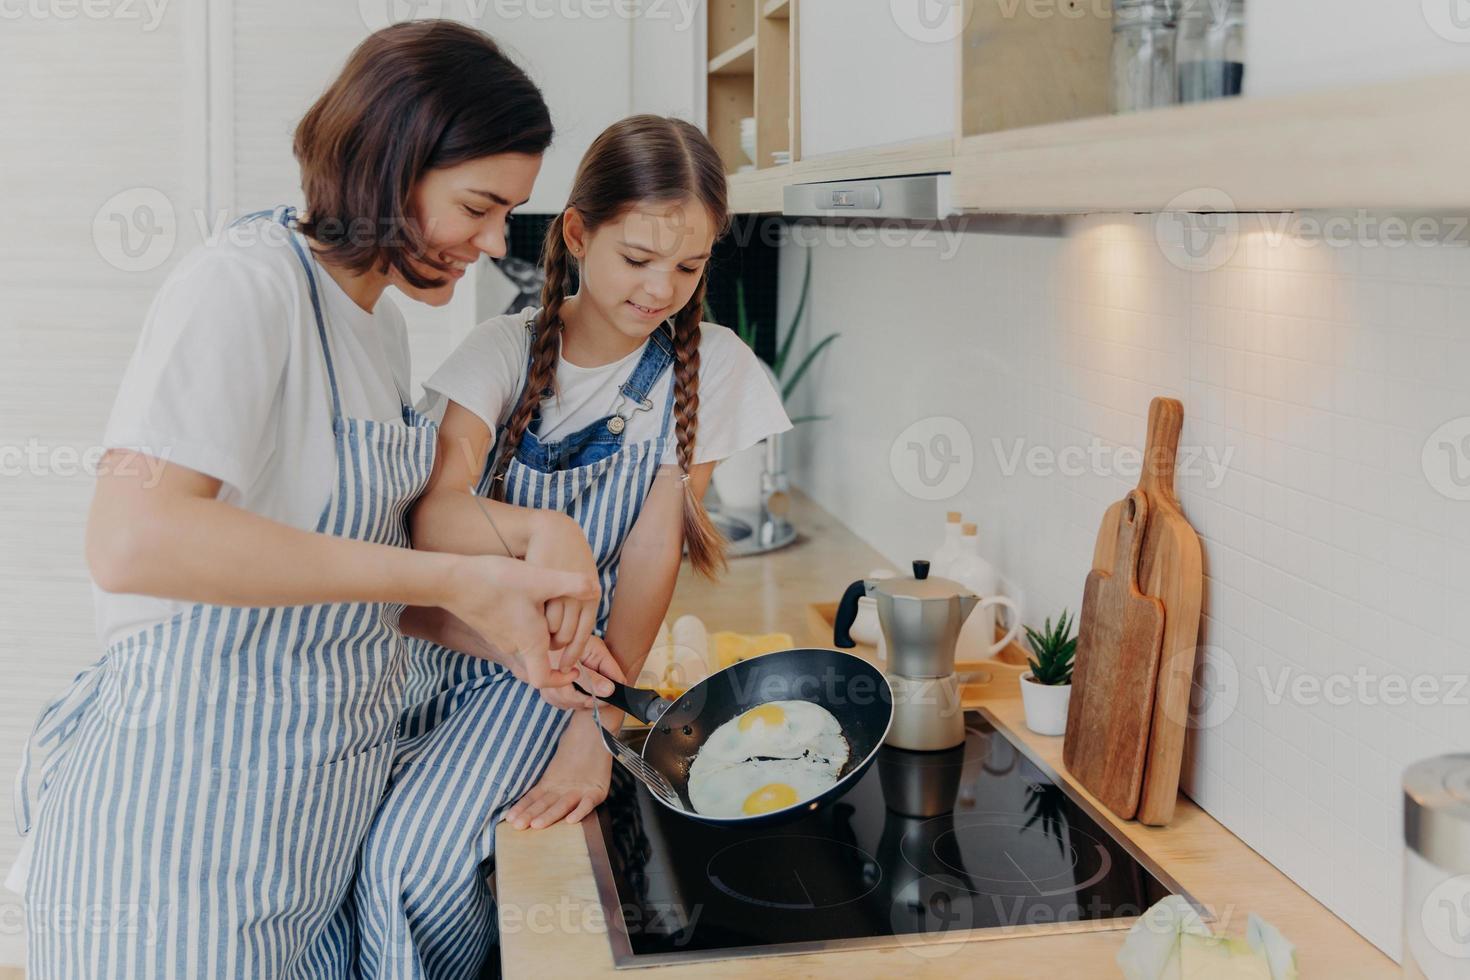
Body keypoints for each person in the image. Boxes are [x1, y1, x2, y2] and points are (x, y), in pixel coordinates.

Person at [12, 22, 616, 978]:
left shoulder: (375, 329)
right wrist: (462, 573)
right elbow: (134, 540)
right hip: (178, 849)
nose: (496, 241)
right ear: (390, 163)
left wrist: (514, 632)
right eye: (479, 205)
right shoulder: (243, 287)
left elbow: (340, 589)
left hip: (300, 841)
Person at [347, 115, 791, 975]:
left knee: (412, 866)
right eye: (637, 258)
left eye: (689, 266)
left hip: (562, 676)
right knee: (351, 855)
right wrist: (542, 531)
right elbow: (434, 516)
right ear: (578, 234)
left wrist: (597, 725)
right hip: (448, 653)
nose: (663, 288)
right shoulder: (500, 352)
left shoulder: (716, 367)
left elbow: (654, 556)